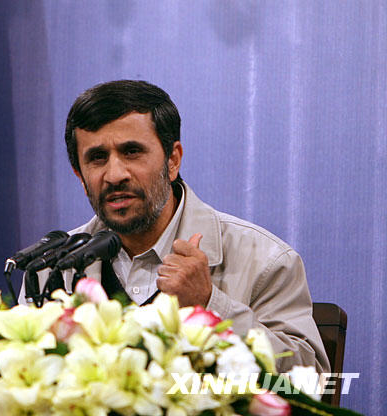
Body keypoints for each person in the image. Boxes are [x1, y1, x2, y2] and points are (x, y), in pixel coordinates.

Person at [21, 80, 329, 373]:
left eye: (131, 152)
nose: (115, 175)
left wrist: (210, 305)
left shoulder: (265, 260)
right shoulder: (51, 267)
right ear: (79, 174)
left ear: (173, 160)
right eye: (97, 158)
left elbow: (309, 382)